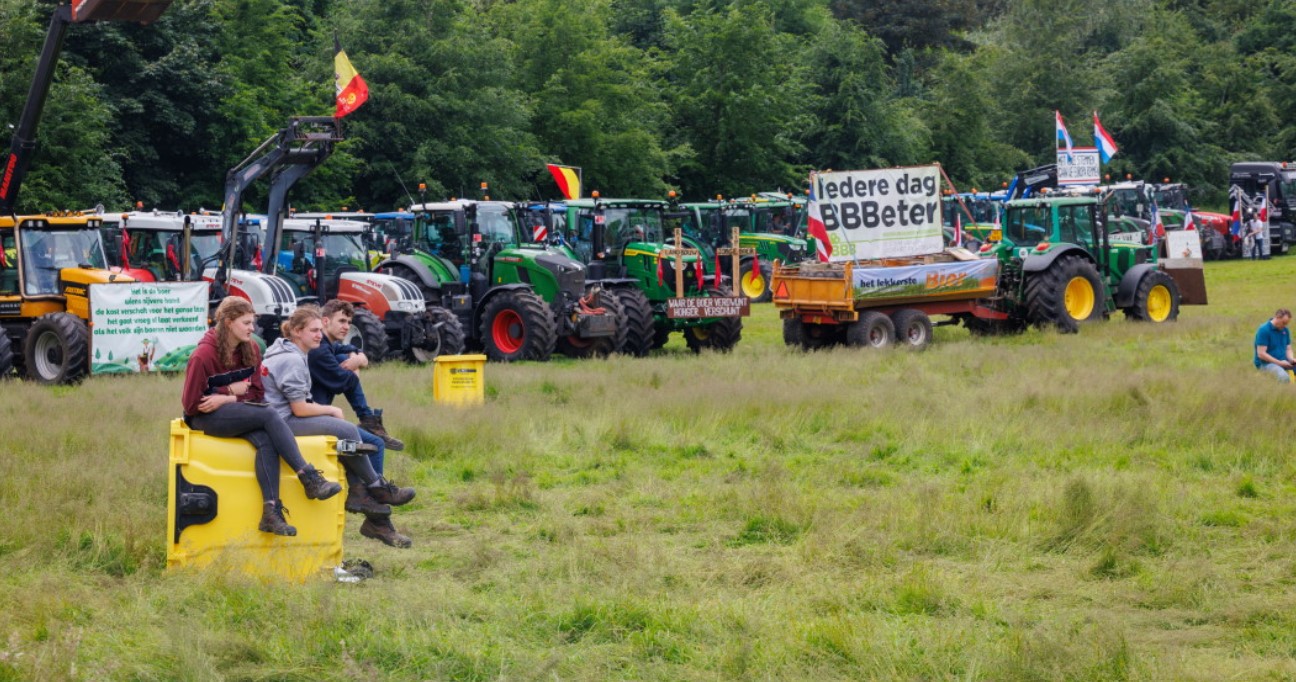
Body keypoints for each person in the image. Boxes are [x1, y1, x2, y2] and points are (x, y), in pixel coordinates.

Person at [181, 297, 342, 536]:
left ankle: (270, 512)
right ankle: (307, 476)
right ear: (228, 322)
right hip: (204, 417)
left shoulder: (252, 349)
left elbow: (256, 393)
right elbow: (191, 404)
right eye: (246, 323)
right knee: (268, 413)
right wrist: (230, 390)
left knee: (266, 439)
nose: (252, 328)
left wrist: (226, 396)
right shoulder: (203, 355)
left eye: (252, 322)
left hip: (235, 410)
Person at [262, 305, 417, 548]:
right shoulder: (294, 358)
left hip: (285, 416)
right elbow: (299, 409)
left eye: (319, 330)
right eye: (313, 330)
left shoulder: (295, 351)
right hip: (282, 422)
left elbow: (340, 356)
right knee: (347, 431)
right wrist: (332, 410)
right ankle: (376, 490)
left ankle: (368, 495)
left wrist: (356, 357)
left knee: (356, 439)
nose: (318, 335)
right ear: (296, 331)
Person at [308, 299, 404, 452]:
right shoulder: (319, 350)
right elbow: (345, 382)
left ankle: (368, 419)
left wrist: (358, 358)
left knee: (343, 357)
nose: (346, 327)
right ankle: (368, 421)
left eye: (348, 322)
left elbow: (348, 348)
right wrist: (354, 368)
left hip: (320, 411)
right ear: (325, 321)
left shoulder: (327, 344)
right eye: (342, 321)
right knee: (376, 444)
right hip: (314, 415)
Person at [1254, 308, 1295, 383]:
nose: (1285, 325)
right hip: (1266, 364)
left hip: (1283, 361)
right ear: (1277, 317)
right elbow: (1261, 354)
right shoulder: (1264, 330)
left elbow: (1288, 348)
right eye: (1283, 322)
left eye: (1287, 323)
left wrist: (1291, 359)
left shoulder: (1285, 330)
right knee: (1284, 378)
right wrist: (1279, 363)